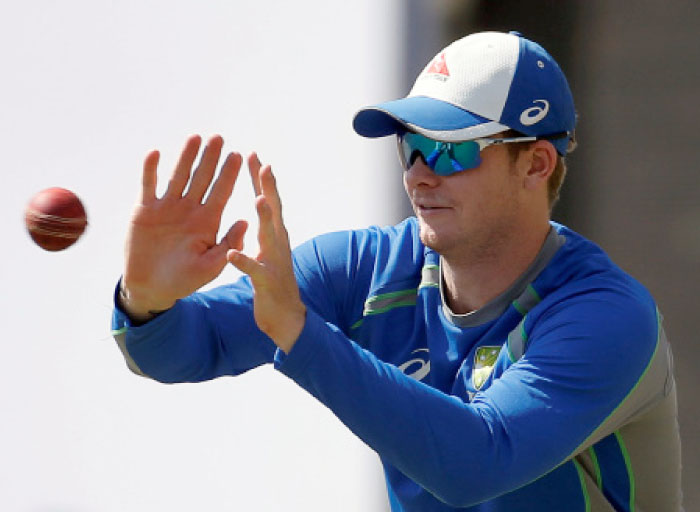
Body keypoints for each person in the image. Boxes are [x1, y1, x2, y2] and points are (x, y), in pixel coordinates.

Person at [111, 31, 682, 511]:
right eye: (410, 146)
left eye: (450, 150)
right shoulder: (363, 268)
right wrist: (146, 299)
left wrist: (301, 336)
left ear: (535, 163)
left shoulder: (607, 317)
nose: (418, 175)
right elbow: (177, 349)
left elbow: (478, 463)